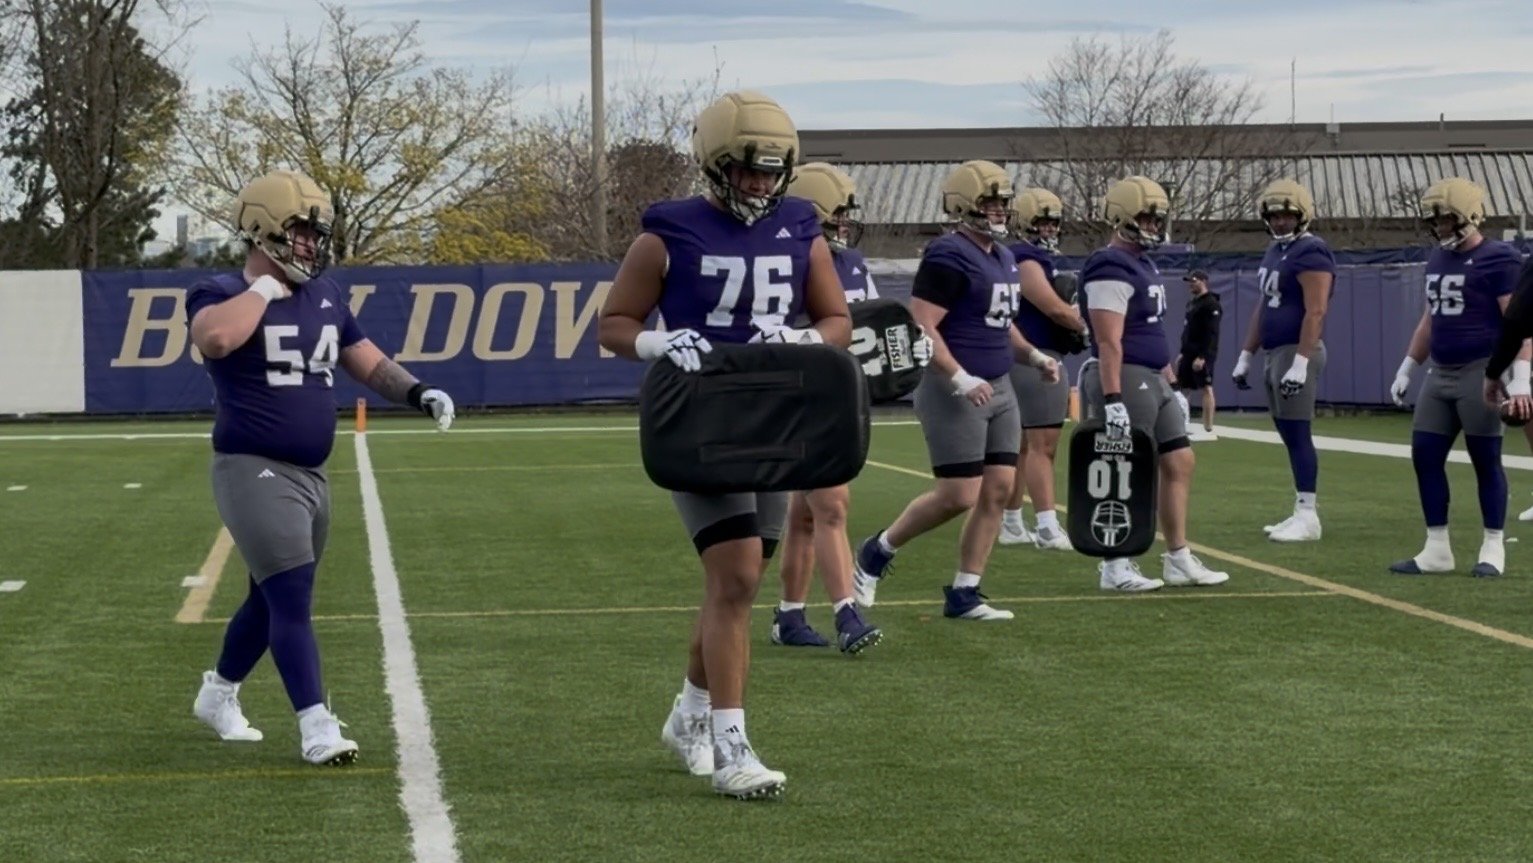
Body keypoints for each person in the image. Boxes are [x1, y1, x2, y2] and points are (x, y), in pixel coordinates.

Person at [597, 90, 852, 800]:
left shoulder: (800, 227)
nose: (761, 184)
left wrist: (801, 337)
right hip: (701, 417)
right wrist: (657, 342)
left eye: (772, 171)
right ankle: (731, 746)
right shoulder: (667, 234)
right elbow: (613, 324)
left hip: (772, 416)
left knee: (735, 584)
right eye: (748, 169)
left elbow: (836, 319)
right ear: (714, 164)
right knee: (736, 575)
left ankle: (690, 711)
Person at [189, 169, 456, 766]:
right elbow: (216, 339)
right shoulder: (220, 290)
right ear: (262, 229)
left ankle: (219, 692)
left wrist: (418, 392)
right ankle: (317, 725)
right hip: (252, 465)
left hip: (310, 473)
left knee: (268, 598)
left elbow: (367, 360)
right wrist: (262, 292)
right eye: (300, 231)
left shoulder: (327, 294)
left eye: (315, 233)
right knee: (291, 596)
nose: (311, 243)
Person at [851, 160, 1060, 621]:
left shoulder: (1003, 257)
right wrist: (959, 377)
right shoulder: (948, 254)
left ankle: (966, 591)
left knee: (999, 489)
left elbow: (1000, 325)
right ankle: (878, 549)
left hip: (1000, 386)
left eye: (1003, 202)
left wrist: (1034, 356)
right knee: (959, 493)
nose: (999, 210)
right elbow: (922, 325)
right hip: (953, 387)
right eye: (990, 202)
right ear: (964, 204)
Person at [768, 161, 910, 653]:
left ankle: (789, 616)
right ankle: (846, 613)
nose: (845, 223)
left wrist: (910, 348)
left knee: (805, 515)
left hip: (839, 398)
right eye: (836, 214)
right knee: (832, 504)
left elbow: (871, 328)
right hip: (801, 397)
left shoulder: (851, 262)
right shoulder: (786, 261)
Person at [1076, 176, 1230, 592]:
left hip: (1153, 377)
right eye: (1144, 217)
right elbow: (1109, 340)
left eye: (1155, 218)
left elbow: (1151, 330)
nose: (1152, 225)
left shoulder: (1144, 263)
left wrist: (1172, 383)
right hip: (1125, 376)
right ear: (1121, 216)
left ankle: (1177, 557)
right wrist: (1112, 397)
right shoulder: (1110, 264)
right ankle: (1115, 564)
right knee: (1126, 469)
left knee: (1180, 461)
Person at [1388, 178, 1528, 576]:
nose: (1441, 227)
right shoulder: (1437, 259)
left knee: (1486, 460)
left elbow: (1521, 322)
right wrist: (1408, 366)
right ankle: (1436, 549)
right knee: (1425, 455)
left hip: (1481, 370)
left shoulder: (1499, 258)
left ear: (1470, 215)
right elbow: (1431, 319)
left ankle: (1493, 547)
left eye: (1448, 219)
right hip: (1440, 372)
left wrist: (1520, 378)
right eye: (1437, 221)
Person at [1231, 179, 1336, 542]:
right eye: (1274, 216)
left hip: (1296, 350)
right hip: (1275, 352)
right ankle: (1300, 510)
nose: (1280, 222)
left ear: (1302, 215)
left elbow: (1316, 310)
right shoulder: (1275, 250)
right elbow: (1264, 305)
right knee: (1289, 434)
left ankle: (1308, 516)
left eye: (1287, 215)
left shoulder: (1312, 251)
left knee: (1298, 433)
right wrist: (1246, 354)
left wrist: (1301, 362)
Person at [999, 187, 1086, 550]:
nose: (1049, 229)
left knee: (1022, 446)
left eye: (1053, 223)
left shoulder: (1020, 255)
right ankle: (1047, 526)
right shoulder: (1026, 257)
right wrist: (1087, 324)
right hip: (1036, 357)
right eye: (1042, 222)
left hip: (1024, 356)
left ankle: (1011, 522)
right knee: (1042, 445)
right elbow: (1052, 307)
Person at [1174, 269, 1222, 442]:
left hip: (1203, 352)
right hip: (1188, 351)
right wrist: (1182, 352)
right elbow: (1187, 330)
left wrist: (1203, 356)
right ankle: (1180, 424)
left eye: (1194, 281)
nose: (1191, 284)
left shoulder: (1211, 304)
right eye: (1189, 281)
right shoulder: (1192, 303)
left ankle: (1208, 427)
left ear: (1203, 281)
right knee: (1183, 388)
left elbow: (1212, 333)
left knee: (1206, 387)